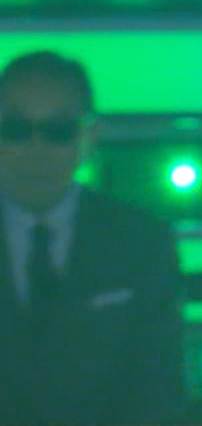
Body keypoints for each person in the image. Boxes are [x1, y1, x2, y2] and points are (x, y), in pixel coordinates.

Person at [0, 50, 185, 425]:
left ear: (90, 136)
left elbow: (158, 386)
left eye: (58, 131)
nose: (36, 149)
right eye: (16, 129)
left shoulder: (139, 242)